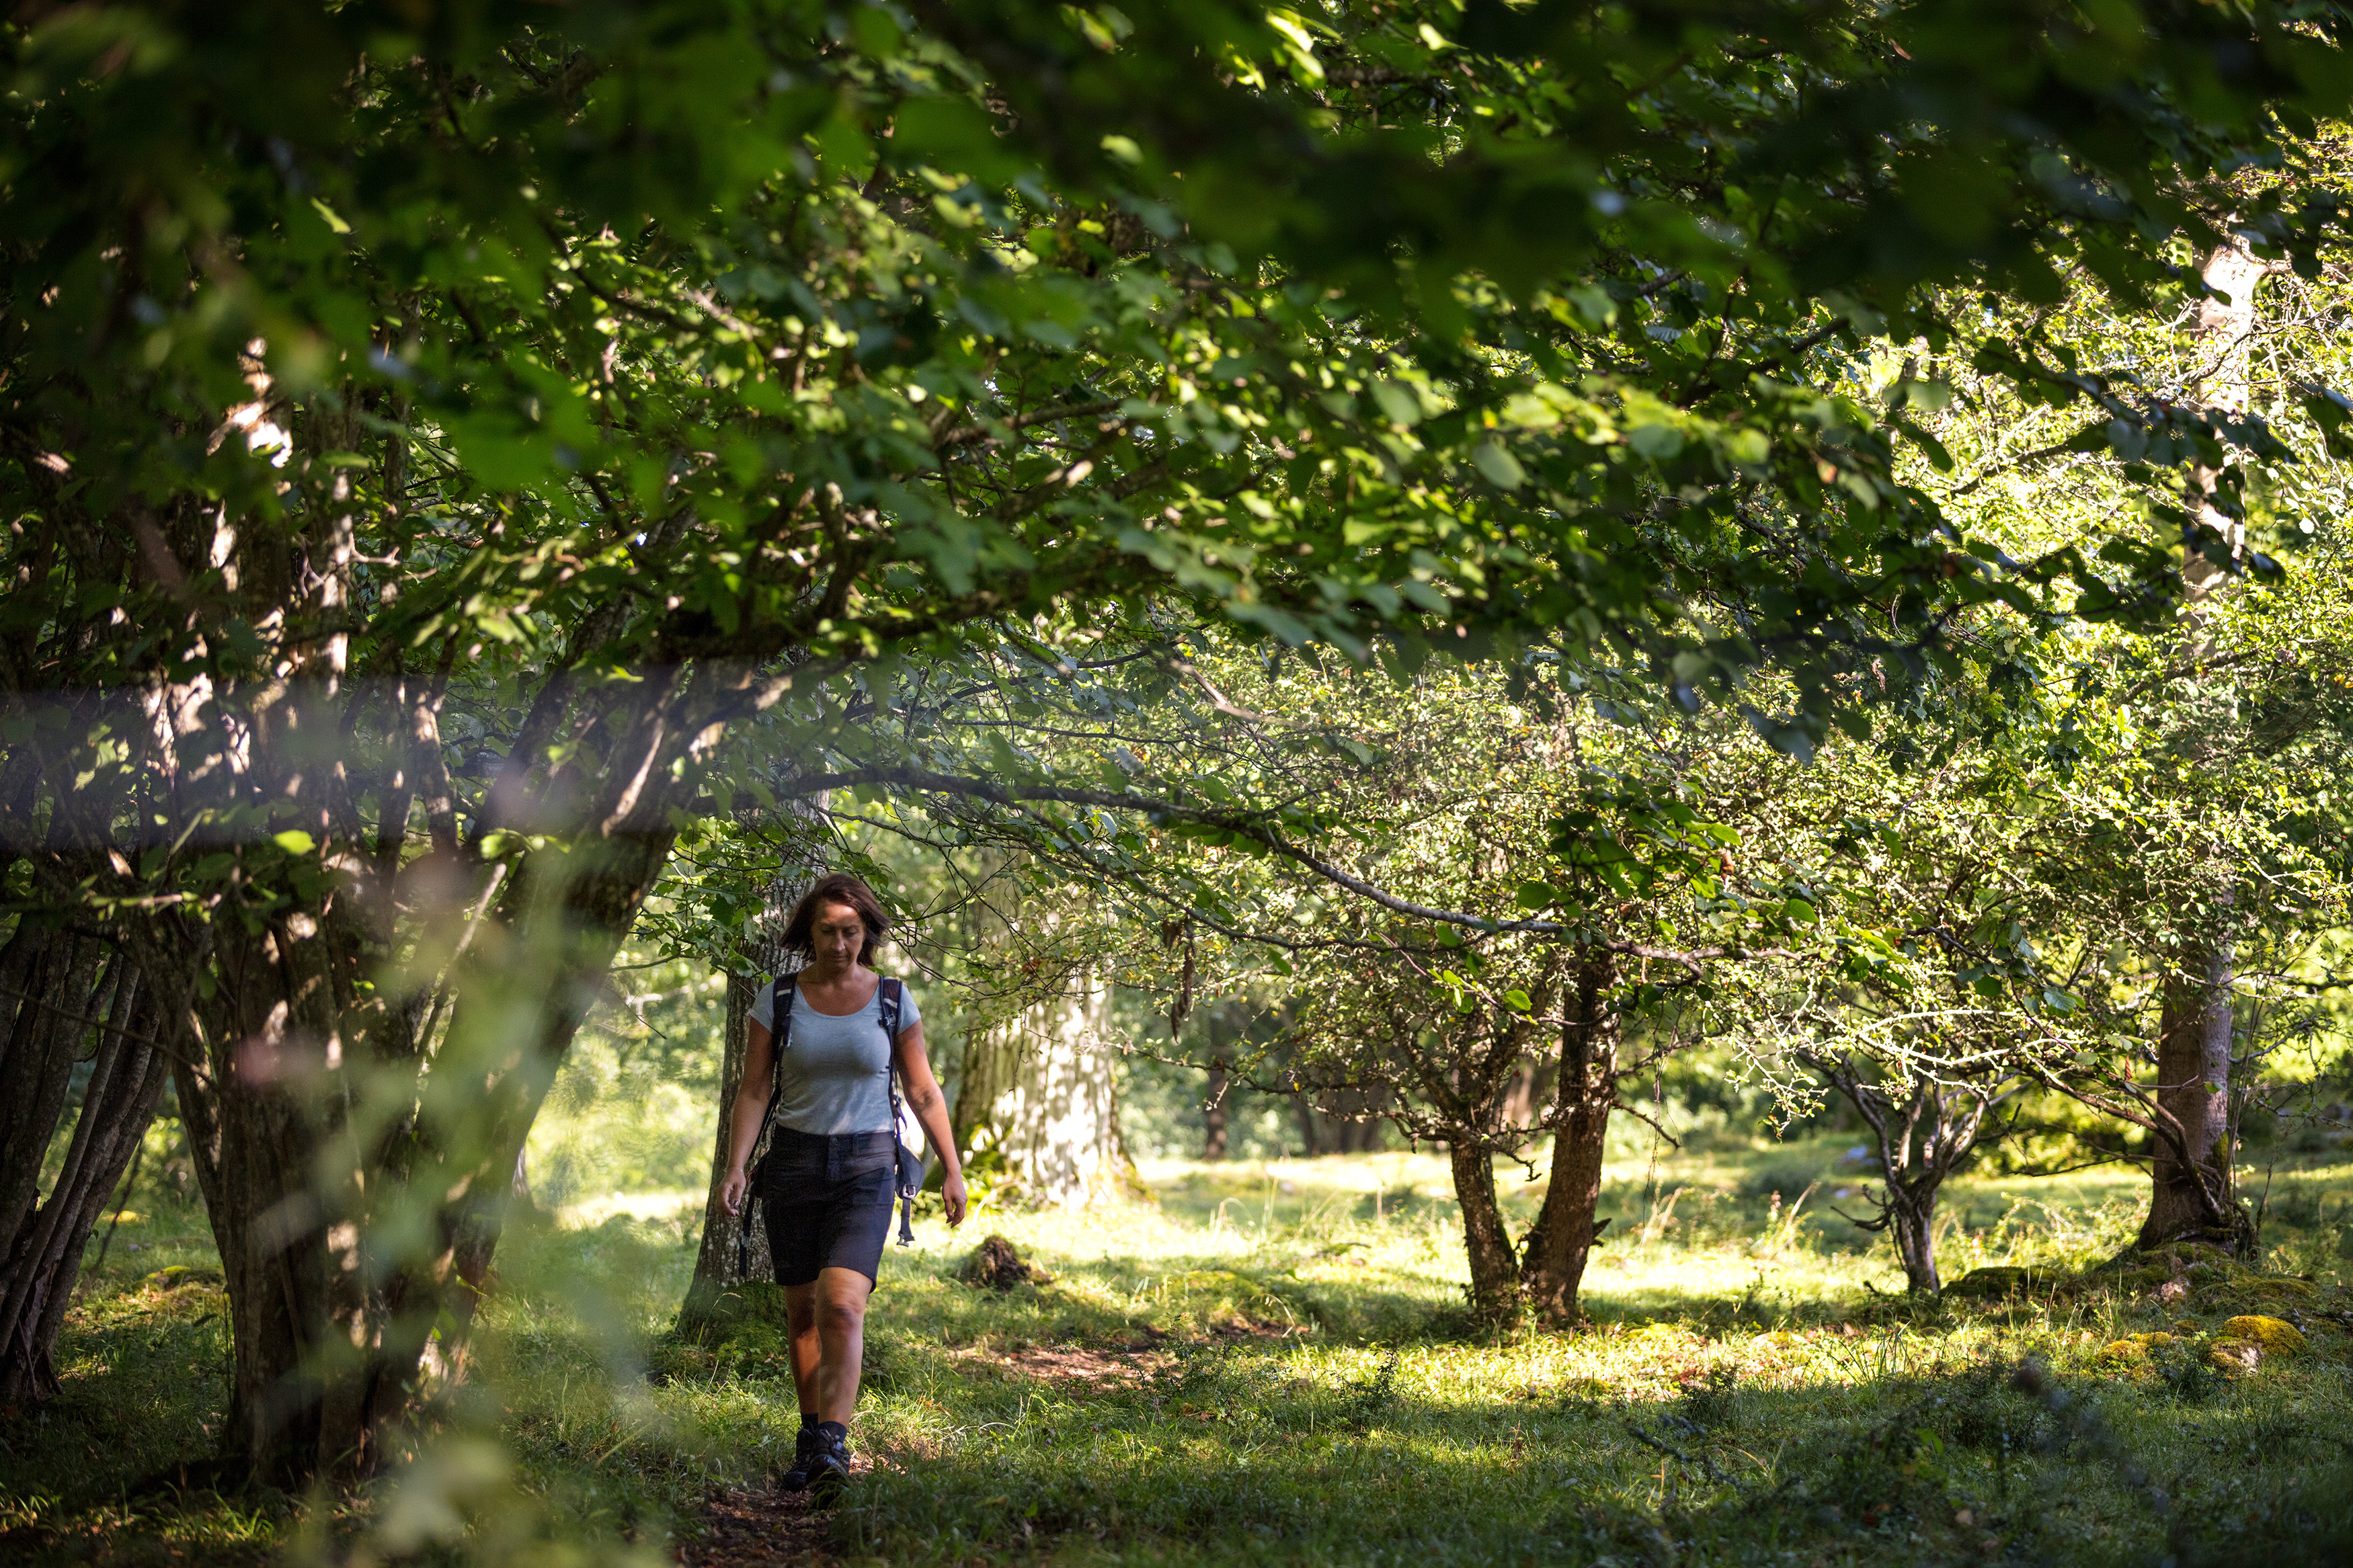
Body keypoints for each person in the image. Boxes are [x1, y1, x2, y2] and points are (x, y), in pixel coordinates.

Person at [719, 872, 967, 1499]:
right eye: (827, 930)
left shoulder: (891, 998)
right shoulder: (776, 998)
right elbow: (752, 1090)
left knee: (841, 1304)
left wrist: (953, 1168)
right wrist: (736, 1165)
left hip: (867, 1165)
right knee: (801, 1312)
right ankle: (810, 1437)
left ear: (867, 933)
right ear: (809, 932)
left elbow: (923, 1090)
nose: (838, 942)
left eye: (850, 931)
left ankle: (834, 1440)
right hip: (795, 1163)